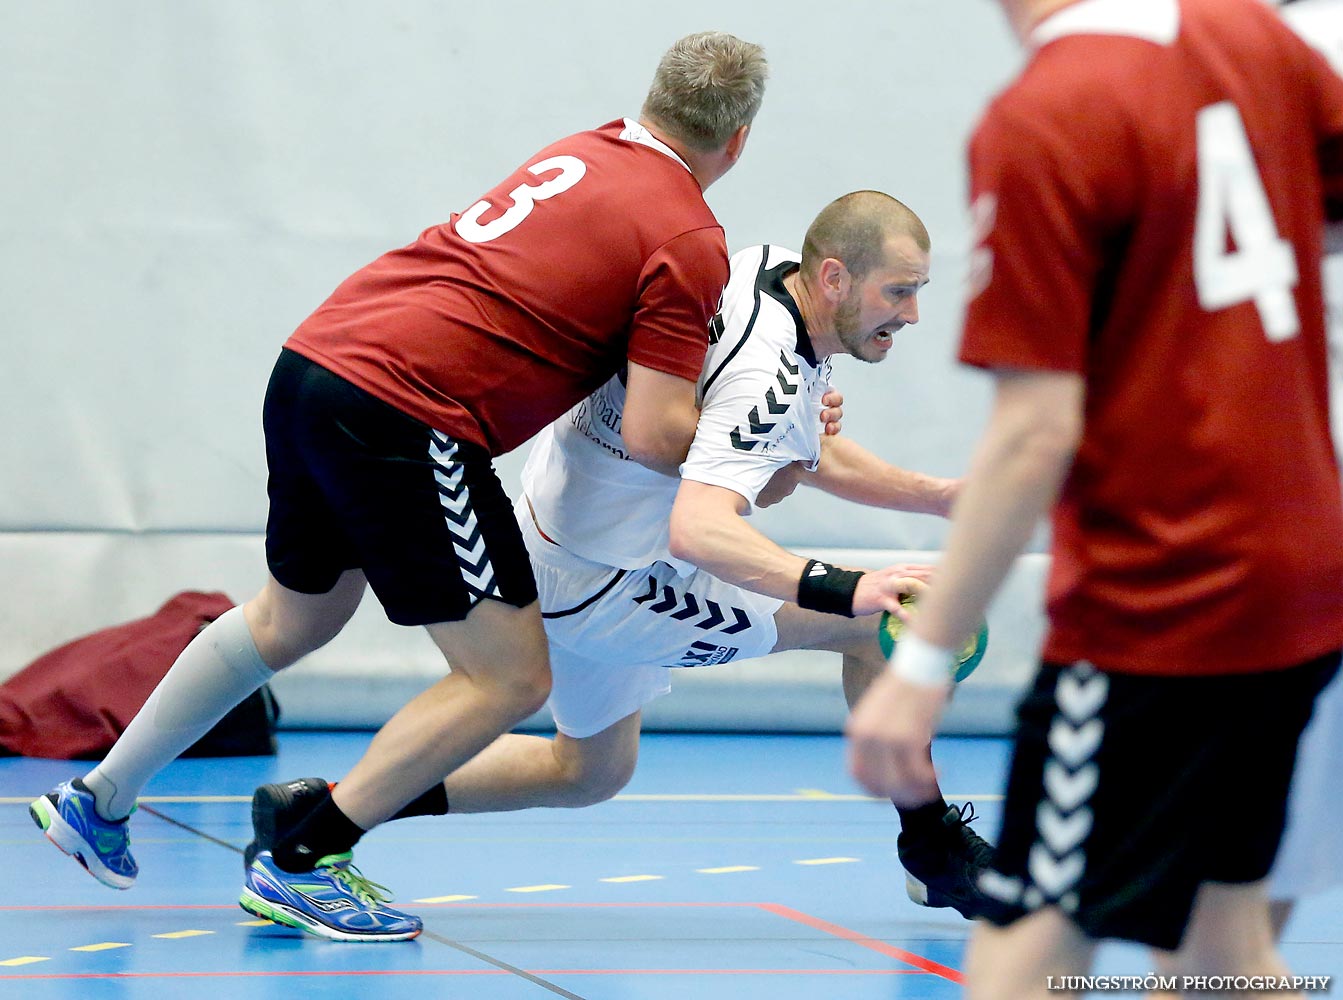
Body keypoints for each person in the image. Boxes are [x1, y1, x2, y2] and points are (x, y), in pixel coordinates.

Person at [29, 30, 769, 943]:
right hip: (405, 413)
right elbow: (660, 434)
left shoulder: (583, 153)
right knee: (508, 679)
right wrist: (767, 448)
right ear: (739, 139)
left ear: (653, 100)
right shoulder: (689, 235)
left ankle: (99, 797)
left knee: (290, 619)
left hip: (316, 362)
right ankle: (305, 859)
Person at [246, 190, 997, 924]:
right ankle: (931, 851)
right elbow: (704, 530)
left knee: (590, 772)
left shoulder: (754, 272)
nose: (912, 314)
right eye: (898, 291)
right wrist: (850, 588)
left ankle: (333, 806)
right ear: (833, 277)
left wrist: (934, 497)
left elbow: (786, 443)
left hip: (557, 528)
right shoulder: (766, 375)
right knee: (873, 626)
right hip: (615, 584)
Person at [845, 0, 1343, 996]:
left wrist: (923, 660)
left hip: (1160, 598)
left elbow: (1034, 430)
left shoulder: (1046, 111)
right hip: (1298, 575)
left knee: (1022, 952)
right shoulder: (1254, 39)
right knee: (1219, 951)